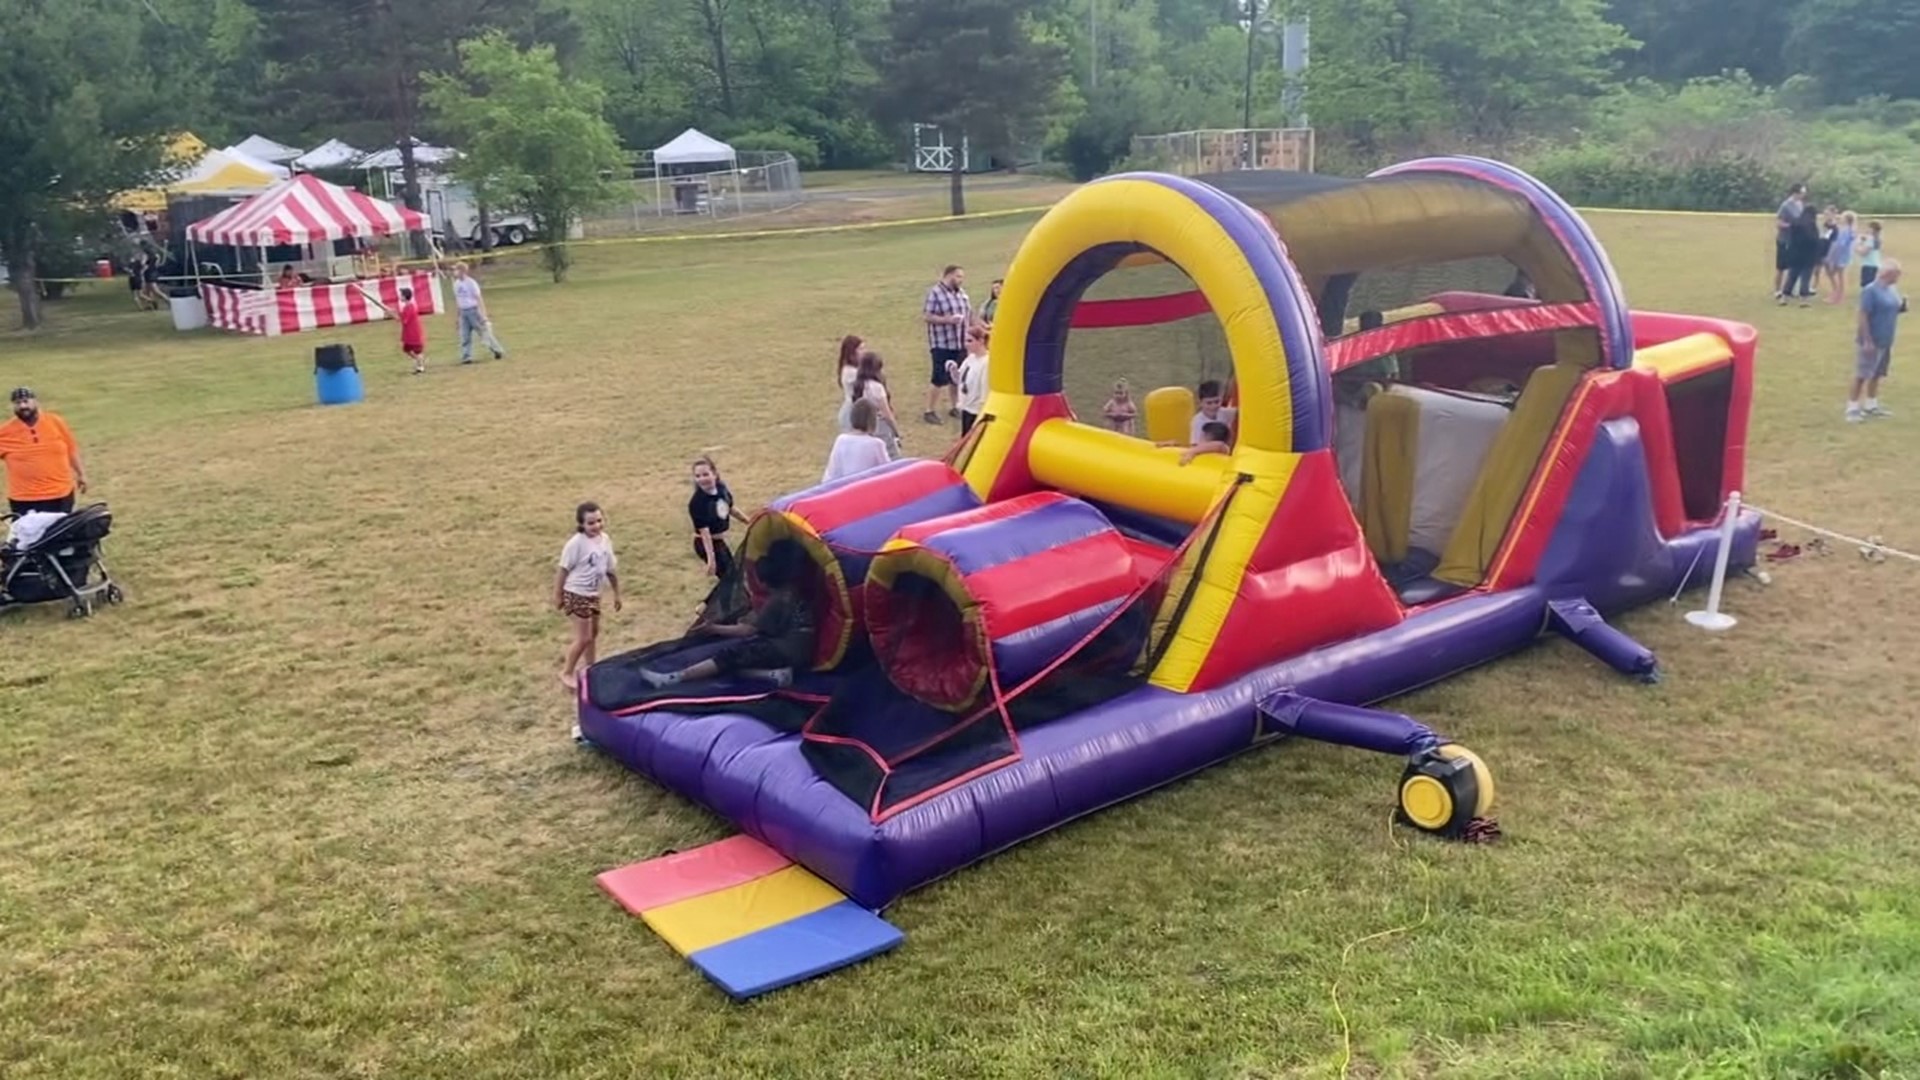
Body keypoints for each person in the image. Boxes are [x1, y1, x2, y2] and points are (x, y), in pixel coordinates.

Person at [642, 546, 818, 689]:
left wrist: (713, 628)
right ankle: (774, 674)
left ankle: (675, 678)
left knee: (730, 656)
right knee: (739, 661)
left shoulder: (778, 600)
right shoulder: (795, 592)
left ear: (766, 582)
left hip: (786, 651)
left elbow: (748, 630)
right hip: (803, 651)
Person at [555, 502, 621, 691]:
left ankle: (591, 667)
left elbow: (610, 569)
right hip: (576, 593)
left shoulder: (605, 540)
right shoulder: (576, 544)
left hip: (593, 594)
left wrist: (617, 593)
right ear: (581, 524)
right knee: (583, 637)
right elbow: (562, 570)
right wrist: (558, 595)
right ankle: (567, 672)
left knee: (593, 634)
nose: (596, 526)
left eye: (599, 521)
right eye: (591, 523)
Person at [0, 388, 88, 515]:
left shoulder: (55, 422)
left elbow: (71, 449)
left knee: (60, 533)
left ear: (35, 402)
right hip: (24, 499)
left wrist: (81, 474)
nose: (23, 406)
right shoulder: (4, 432)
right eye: (18, 403)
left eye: (26, 401)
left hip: (60, 493)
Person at [1849, 258, 1904, 423]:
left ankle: (1871, 405)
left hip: (1886, 339)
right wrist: (1867, 340)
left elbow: (1892, 308)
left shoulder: (1892, 289)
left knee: (1877, 373)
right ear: (1889, 274)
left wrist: (1902, 307)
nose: (1898, 278)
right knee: (1862, 374)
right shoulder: (1870, 291)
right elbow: (1863, 315)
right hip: (1872, 338)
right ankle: (1852, 408)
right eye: (1897, 274)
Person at [921, 264, 970, 424]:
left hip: (960, 342)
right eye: (958, 276)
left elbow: (970, 314)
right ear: (948, 275)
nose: (960, 280)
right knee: (939, 378)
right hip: (942, 343)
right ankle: (929, 410)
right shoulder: (935, 293)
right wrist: (947, 320)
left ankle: (955, 406)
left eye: (962, 277)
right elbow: (927, 316)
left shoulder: (961, 293)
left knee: (956, 377)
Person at [689, 455, 748, 579]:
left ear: (714, 474)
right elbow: (705, 533)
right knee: (729, 578)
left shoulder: (721, 489)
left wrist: (749, 521)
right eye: (697, 476)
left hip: (719, 542)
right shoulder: (697, 503)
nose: (702, 479)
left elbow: (730, 508)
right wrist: (711, 560)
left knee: (733, 574)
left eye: (705, 474)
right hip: (706, 543)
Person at [823, 399, 893, 482]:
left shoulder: (841, 440)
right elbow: (888, 472)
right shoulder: (876, 444)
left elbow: (831, 474)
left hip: (845, 489)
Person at [451, 262, 507, 364]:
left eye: (456, 270)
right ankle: (466, 357)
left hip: (473, 311)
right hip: (464, 312)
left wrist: (483, 314)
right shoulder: (456, 284)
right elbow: (458, 301)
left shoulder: (471, 283)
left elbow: (478, 298)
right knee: (464, 335)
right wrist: (457, 317)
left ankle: (497, 350)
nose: (454, 272)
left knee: (483, 333)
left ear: (462, 271)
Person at [852, 352, 902, 458]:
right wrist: (896, 431)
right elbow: (886, 413)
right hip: (879, 425)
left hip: (864, 425)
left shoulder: (858, 385)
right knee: (892, 456)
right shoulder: (877, 387)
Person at [947, 326, 990, 436]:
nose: (966, 344)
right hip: (967, 407)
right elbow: (960, 381)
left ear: (981, 341)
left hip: (976, 411)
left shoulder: (986, 362)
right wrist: (953, 370)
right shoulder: (970, 358)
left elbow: (985, 388)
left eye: (970, 341)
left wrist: (982, 411)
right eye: (965, 341)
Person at [1774, 183, 1807, 301]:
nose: (1804, 195)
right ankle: (1777, 290)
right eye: (1802, 192)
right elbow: (1778, 222)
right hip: (1784, 240)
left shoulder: (1800, 204)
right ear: (1795, 193)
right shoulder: (1786, 205)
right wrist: (1790, 226)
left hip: (1796, 240)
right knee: (1781, 267)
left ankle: (1789, 289)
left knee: (1794, 265)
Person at [1189, 379, 1237, 446]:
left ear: (1221, 399)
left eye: (1217, 402)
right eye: (1209, 403)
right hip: (1208, 453)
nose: (1213, 406)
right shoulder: (1198, 421)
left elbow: (1242, 413)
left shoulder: (1225, 413)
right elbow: (1195, 444)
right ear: (1200, 403)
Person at [833, 334, 865, 431]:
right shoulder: (850, 372)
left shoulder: (855, 369)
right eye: (860, 349)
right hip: (851, 412)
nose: (864, 352)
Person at [1825, 209, 1856, 304]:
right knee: (1837, 275)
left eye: (1843, 217)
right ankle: (1837, 294)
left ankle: (1838, 296)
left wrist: (1832, 255)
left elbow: (1840, 245)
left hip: (1841, 255)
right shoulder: (1848, 230)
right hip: (1844, 255)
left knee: (1839, 275)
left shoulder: (1845, 231)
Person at [1859, 220, 1885, 289]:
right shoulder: (1878, 239)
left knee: (1866, 286)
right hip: (1876, 265)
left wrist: (1856, 247)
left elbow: (1864, 252)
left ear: (1872, 229)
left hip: (1868, 265)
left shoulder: (1871, 239)